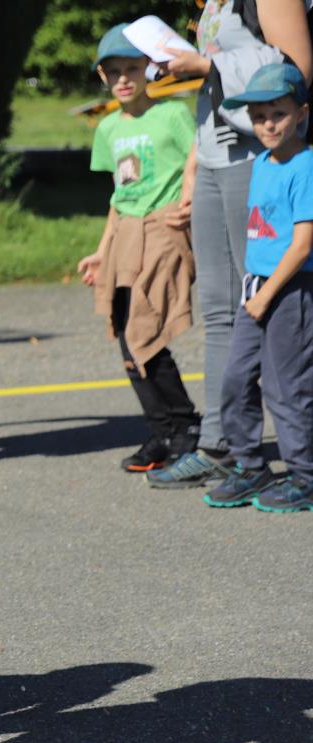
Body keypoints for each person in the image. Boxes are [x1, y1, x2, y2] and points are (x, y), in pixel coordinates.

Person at [148, 0, 312, 488]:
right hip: (214, 158)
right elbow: (212, 91)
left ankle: (292, 459)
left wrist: (207, 65)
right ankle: (222, 446)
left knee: (270, 310)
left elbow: (297, 70)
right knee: (220, 308)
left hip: (255, 158)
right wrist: (193, 167)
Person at [76, 27, 201, 473]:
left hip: (164, 228)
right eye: (114, 71)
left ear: (148, 69)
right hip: (125, 233)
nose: (124, 79)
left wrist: (190, 202)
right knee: (127, 339)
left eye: (132, 68)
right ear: (103, 76)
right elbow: (120, 194)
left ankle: (186, 427)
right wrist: (101, 250)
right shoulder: (109, 127)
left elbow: (199, 163)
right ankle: (163, 431)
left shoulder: (172, 115)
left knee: (145, 331)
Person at [202, 64, 313, 511]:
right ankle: (250, 465)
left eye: (278, 114)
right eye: (259, 116)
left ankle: (305, 476)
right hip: (257, 288)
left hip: (289, 289)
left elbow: (302, 244)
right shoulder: (262, 163)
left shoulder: (306, 166)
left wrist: (267, 295)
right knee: (236, 378)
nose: (268, 124)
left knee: (286, 387)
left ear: (302, 113)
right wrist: (255, 289)